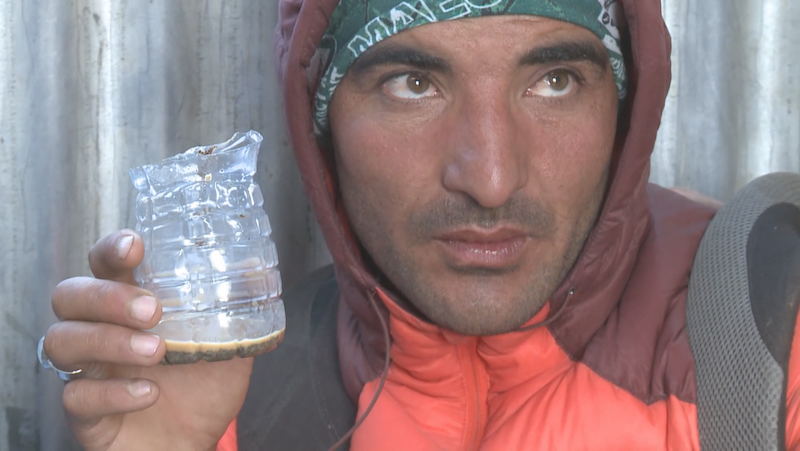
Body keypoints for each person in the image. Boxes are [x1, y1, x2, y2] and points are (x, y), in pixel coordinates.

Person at [38, 0, 800, 449]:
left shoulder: (770, 337)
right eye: (413, 83)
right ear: (320, 118)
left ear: (626, 109)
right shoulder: (243, 399)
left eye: (555, 81)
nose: (490, 177)